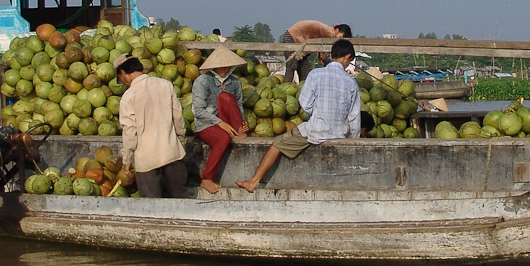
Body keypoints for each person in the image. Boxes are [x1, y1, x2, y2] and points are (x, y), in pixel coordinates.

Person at [237, 38, 360, 192]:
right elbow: (354, 118)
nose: (348, 64)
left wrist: (314, 116)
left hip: (315, 131)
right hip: (339, 134)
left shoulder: (316, 74)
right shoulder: (351, 83)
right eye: (349, 61)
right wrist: (353, 140)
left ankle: (253, 181)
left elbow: (304, 102)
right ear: (347, 57)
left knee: (276, 145)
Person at [114, 53, 188, 197]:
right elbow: (178, 117)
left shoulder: (128, 97)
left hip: (146, 157)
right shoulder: (165, 85)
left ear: (122, 73)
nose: (122, 81)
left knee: (150, 203)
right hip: (171, 151)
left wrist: (127, 159)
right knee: (180, 198)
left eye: (120, 78)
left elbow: (130, 132)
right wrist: (181, 141)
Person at [190, 45, 248, 194]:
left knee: (226, 96)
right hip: (206, 123)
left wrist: (241, 123)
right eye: (220, 66)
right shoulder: (202, 81)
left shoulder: (234, 82)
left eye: (226, 66)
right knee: (223, 138)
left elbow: (238, 104)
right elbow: (198, 111)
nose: (223, 69)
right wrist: (220, 123)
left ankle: (238, 130)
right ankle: (206, 178)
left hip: (228, 122)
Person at [281, 21, 352, 82]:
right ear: (337, 29)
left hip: (301, 43)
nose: (337, 40)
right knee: (292, 65)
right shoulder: (330, 34)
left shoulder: (326, 32)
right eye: (339, 37)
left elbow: (322, 56)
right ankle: (287, 84)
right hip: (293, 37)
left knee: (305, 70)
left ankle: (302, 90)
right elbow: (323, 56)